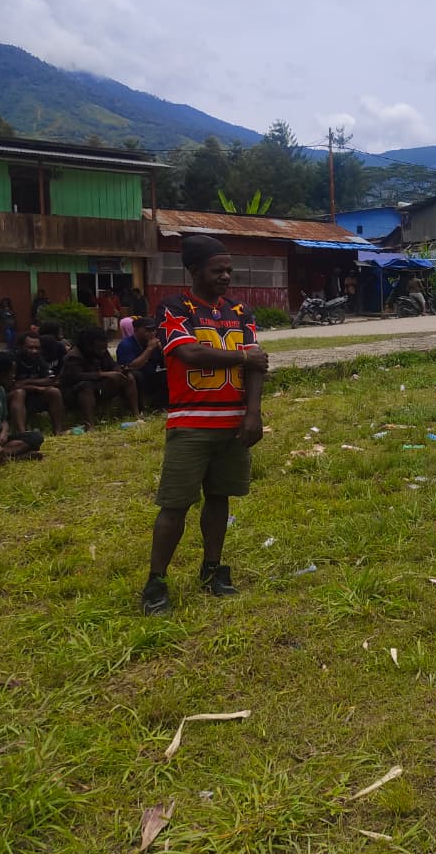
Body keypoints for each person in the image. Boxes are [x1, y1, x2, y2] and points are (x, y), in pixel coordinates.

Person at [140, 234, 268, 616]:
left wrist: (254, 413)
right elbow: (189, 353)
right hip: (190, 423)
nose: (226, 276)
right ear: (194, 270)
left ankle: (213, 569)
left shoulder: (241, 310)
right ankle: (156, 581)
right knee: (175, 504)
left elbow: (257, 364)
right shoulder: (174, 308)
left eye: (229, 270)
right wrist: (244, 357)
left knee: (219, 497)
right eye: (218, 270)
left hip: (233, 423)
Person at [60, 328, 140, 429]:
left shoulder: (102, 351)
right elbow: (76, 377)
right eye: (100, 349)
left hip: (98, 387)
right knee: (86, 386)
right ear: (89, 345)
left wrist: (119, 370)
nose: (103, 351)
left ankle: (136, 415)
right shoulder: (74, 356)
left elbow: (113, 364)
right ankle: (90, 424)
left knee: (128, 377)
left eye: (104, 348)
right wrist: (103, 374)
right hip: (76, 392)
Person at [0, 352, 43, 462]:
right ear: (1, 373)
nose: (13, 376)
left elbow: (4, 420)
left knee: (35, 437)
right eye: (12, 372)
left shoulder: (0, 390)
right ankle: (14, 457)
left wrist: (4, 433)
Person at [9, 331, 66, 435]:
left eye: (37, 348)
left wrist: (26, 382)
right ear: (20, 346)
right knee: (19, 393)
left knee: (54, 391)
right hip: (11, 400)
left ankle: (58, 431)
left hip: (32, 398)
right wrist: (36, 387)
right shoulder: (12, 360)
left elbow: (50, 380)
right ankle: (22, 434)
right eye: (30, 347)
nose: (34, 351)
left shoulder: (38, 359)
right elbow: (13, 386)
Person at [116, 315, 167, 410]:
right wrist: (149, 349)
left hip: (151, 376)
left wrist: (163, 351)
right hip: (133, 380)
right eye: (147, 330)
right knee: (137, 375)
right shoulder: (126, 344)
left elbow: (165, 365)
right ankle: (139, 408)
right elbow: (130, 367)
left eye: (154, 330)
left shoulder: (155, 343)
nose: (152, 333)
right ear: (135, 330)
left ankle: (161, 406)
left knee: (167, 375)